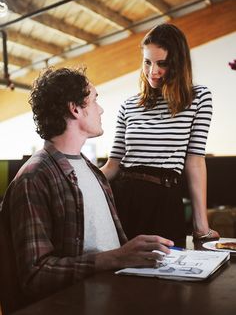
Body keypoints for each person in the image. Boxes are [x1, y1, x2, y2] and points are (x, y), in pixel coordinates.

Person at [0, 67, 173, 303]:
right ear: (75, 109)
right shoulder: (34, 178)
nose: (100, 109)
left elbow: (114, 251)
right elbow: (35, 275)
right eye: (94, 100)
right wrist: (115, 258)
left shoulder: (93, 172)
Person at [101, 23, 220, 242]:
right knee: (118, 274)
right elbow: (113, 165)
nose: (152, 71)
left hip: (165, 201)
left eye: (162, 64)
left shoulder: (199, 98)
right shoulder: (128, 105)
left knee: (167, 272)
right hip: (124, 198)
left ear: (177, 64)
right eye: (147, 62)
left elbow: (194, 161)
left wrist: (201, 225)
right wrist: (74, 182)